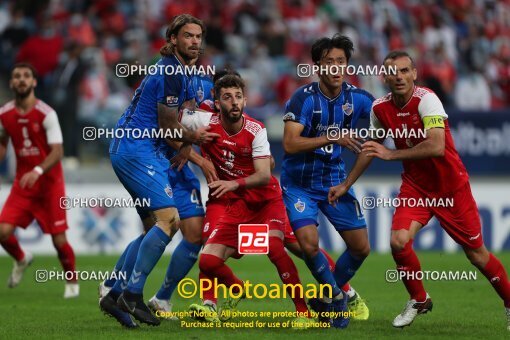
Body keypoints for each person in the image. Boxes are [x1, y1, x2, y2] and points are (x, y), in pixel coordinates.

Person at [328, 50, 510, 330]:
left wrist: (389, 155)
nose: (398, 76)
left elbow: (436, 146)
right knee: (398, 242)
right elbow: (371, 149)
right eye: (392, 71)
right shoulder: (380, 108)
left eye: (404, 70)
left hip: (450, 188)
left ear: (414, 74)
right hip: (416, 188)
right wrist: (346, 183)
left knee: (477, 255)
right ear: (384, 77)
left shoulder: (427, 101)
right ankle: (419, 298)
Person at [99, 14, 219, 328]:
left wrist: (184, 146)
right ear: (173, 39)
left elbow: (187, 113)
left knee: (155, 223)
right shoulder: (170, 71)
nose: (194, 41)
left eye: (198, 36)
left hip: (141, 150)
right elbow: (169, 126)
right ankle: (133, 294)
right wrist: (195, 141)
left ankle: (114, 293)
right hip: (136, 150)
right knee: (170, 220)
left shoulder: (186, 72)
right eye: (188, 36)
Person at [182, 74, 316, 329]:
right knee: (207, 260)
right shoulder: (203, 121)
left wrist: (232, 183)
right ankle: (236, 288)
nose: (234, 102)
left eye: (238, 97)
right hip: (235, 204)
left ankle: (305, 312)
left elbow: (265, 175)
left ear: (245, 100)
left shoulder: (256, 129)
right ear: (217, 102)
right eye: (227, 97)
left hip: (266, 202)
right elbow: (166, 125)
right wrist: (192, 149)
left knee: (279, 248)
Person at [281, 34, 372, 326]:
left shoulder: (358, 98)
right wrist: (332, 136)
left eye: (341, 62)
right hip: (299, 185)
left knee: (361, 248)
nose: (335, 67)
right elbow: (290, 144)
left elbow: (385, 118)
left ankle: (325, 296)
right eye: (329, 62)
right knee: (308, 244)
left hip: (334, 182)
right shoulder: (303, 98)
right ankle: (336, 298)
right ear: (317, 66)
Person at [0, 63, 78, 298]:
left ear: (34, 82)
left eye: (26, 76)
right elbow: (2, 142)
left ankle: (72, 282)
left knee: (58, 240)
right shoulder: (4, 114)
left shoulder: (46, 113)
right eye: (17, 76)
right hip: (23, 185)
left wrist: (37, 170)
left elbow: (57, 152)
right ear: (12, 83)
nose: (21, 80)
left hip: (49, 185)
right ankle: (22, 259)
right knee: (2, 232)